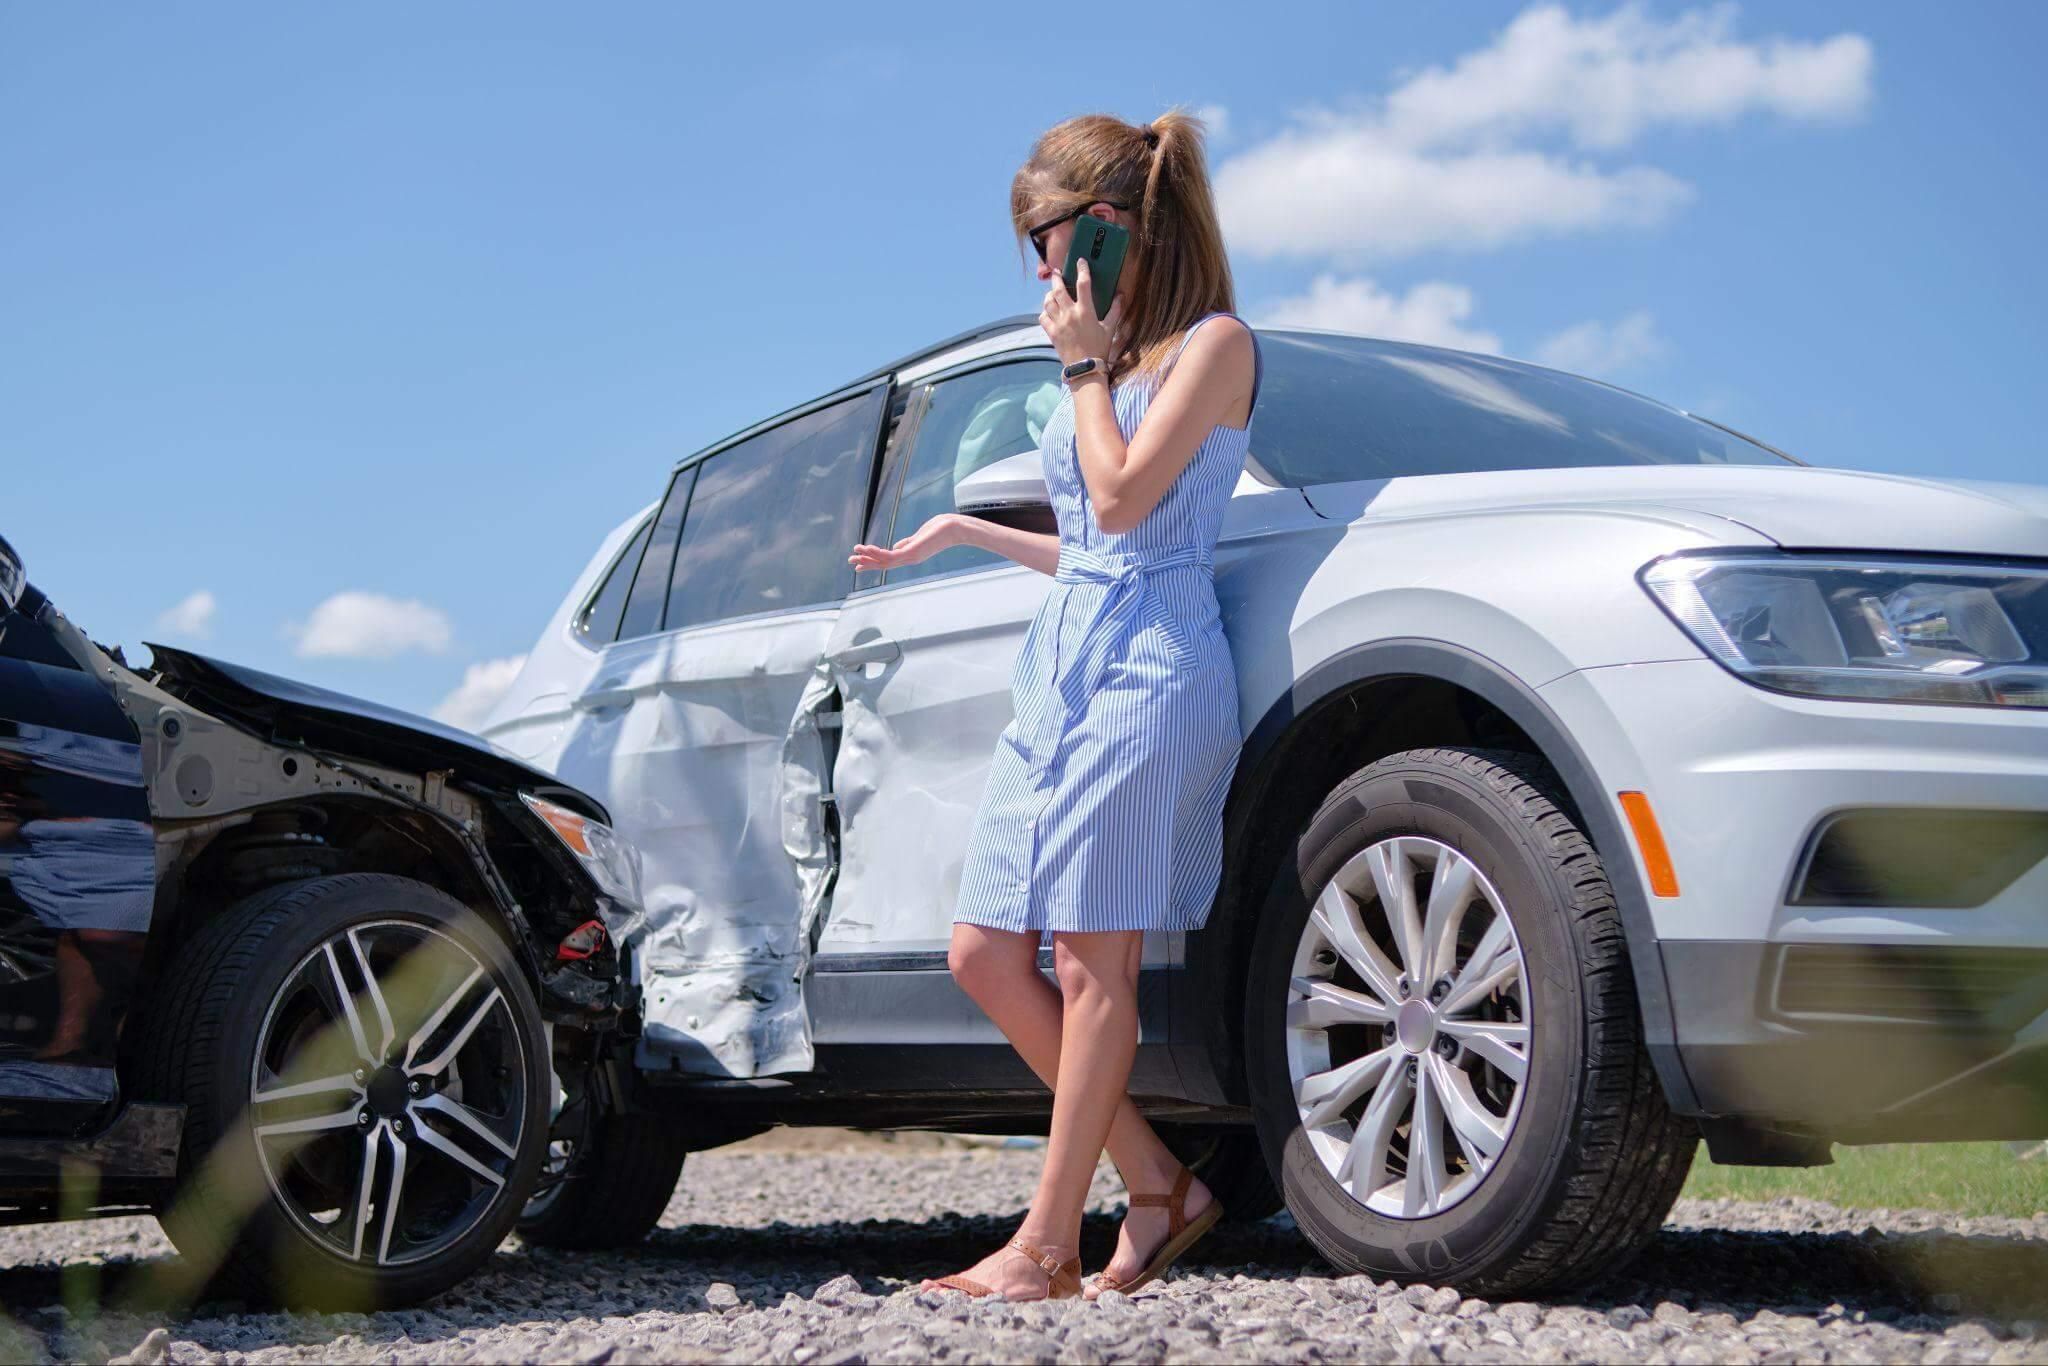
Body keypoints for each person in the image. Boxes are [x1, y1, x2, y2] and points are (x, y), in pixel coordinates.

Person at [848, 107, 1262, 1303]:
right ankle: (1158, 1183)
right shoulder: (1112, 364)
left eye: (1048, 236)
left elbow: (1128, 505)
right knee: (984, 952)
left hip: (1150, 667)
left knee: (1091, 969)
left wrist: (1080, 366)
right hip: (1066, 657)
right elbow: (1087, 542)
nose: (1038, 269)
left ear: (1114, 226)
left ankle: (1043, 1245)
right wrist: (963, 531)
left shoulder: (1211, 347)